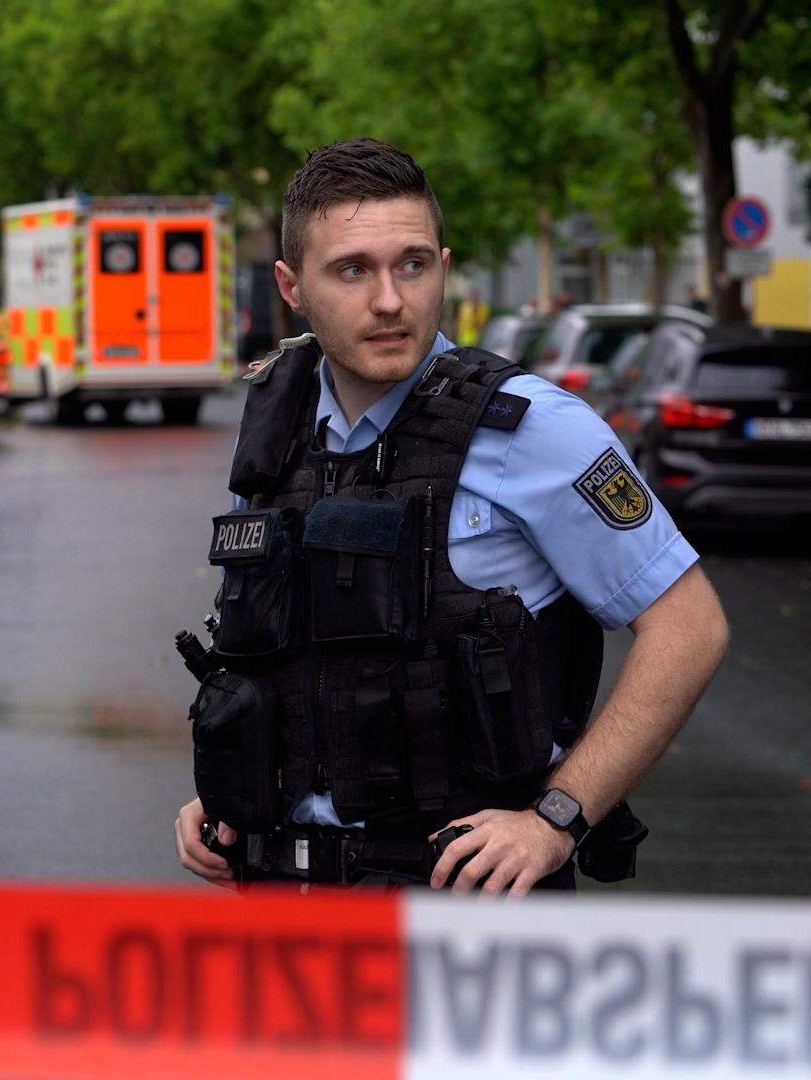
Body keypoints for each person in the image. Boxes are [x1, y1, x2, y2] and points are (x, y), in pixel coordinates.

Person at [173, 139, 728, 896]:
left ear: (443, 262)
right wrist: (232, 791)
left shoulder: (533, 429)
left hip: (469, 924)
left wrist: (558, 817)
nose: (391, 299)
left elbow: (690, 627)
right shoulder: (272, 433)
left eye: (413, 263)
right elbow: (289, 655)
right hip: (287, 914)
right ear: (291, 286)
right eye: (351, 270)